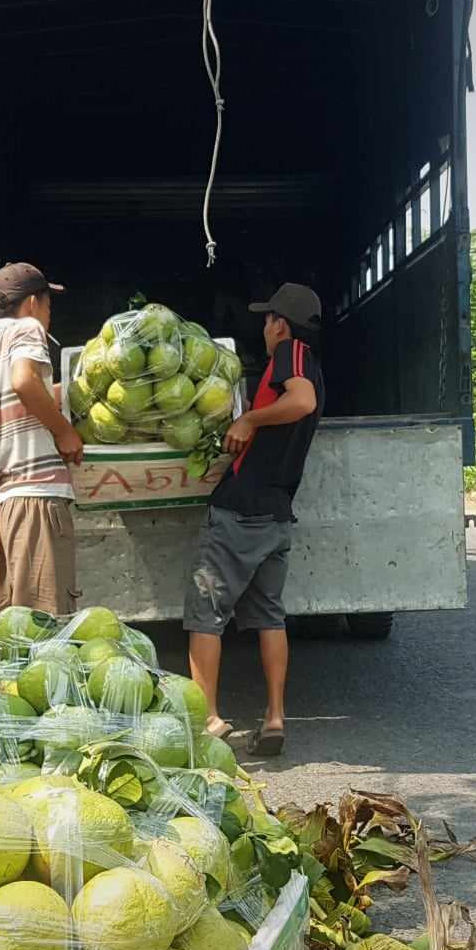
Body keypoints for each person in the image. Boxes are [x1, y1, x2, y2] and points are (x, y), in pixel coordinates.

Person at [184, 282, 326, 756]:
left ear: (280, 325)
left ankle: (208, 721)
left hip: (243, 510)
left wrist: (249, 420)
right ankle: (274, 719)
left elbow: (301, 400)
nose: (264, 328)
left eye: (267, 320)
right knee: (268, 614)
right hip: (275, 514)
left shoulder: (293, 356)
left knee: (206, 612)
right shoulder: (294, 363)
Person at [0, 262, 85, 617]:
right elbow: (22, 381)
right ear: (32, 303)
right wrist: (64, 430)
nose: (48, 316)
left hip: (6, 506)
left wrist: (46, 397)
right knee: (47, 625)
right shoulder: (28, 329)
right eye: (48, 306)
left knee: (19, 628)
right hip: (38, 502)